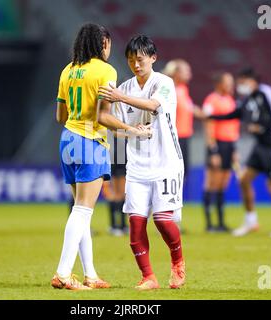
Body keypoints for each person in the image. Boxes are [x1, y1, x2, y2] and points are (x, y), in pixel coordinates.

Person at [51, 24, 150, 291]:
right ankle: (62, 273)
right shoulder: (106, 70)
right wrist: (133, 130)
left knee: (81, 210)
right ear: (102, 43)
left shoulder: (68, 69)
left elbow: (60, 116)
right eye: (108, 43)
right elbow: (103, 116)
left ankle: (91, 275)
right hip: (89, 142)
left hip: (67, 140)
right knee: (83, 210)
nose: (110, 48)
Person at [99, 35, 186, 290]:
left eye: (140, 59)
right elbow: (106, 119)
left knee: (162, 220)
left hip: (166, 162)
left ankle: (177, 262)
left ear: (153, 58)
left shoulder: (164, 83)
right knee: (135, 223)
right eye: (130, 60)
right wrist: (129, 129)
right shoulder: (123, 88)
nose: (136, 65)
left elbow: (152, 105)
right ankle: (148, 277)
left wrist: (119, 98)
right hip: (136, 165)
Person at [205, 67, 271, 238]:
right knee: (244, 180)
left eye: (242, 82)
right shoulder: (249, 98)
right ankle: (251, 221)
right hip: (260, 146)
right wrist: (212, 118)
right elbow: (236, 114)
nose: (240, 86)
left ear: (251, 81)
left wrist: (260, 125)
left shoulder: (265, 92)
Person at [202, 72, 240, 233]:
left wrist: (235, 150)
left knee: (223, 184)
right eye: (228, 82)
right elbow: (209, 126)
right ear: (219, 84)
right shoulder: (211, 100)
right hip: (217, 144)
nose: (231, 85)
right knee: (212, 183)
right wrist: (213, 150)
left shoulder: (231, 100)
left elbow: (233, 127)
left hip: (229, 145)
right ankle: (210, 224)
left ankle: (221, 223)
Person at [162, 60, 194, 187]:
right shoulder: (167, 88)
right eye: (186, 71)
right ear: (176, 73)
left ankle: (175, 202)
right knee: (171, 172)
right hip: (173, 136)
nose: (189, 74)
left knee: (183, 171)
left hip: (185, 136)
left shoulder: (183, 89)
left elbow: (189, 108)